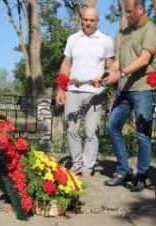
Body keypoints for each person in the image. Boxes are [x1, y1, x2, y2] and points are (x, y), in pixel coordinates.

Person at [104, 0, 156, 192]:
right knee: (112, 126)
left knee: (142, 134)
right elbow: (119, 60)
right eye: (125, 12)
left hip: (143, 88)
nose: (126, 15)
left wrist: (120, 73)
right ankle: (124, 170)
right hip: (124, 89)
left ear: (140, 9)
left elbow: (144, 59)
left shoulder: (150, 29)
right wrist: (106, 74)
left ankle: (142, 175)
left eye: (129, 12)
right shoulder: (126, 31)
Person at [55, 6, 116, 178]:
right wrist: (61, 88)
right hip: (73, 90)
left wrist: (108, 84)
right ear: (81, 19)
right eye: (86, 19)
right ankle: (77, 163)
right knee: (71, 129)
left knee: (92, 131)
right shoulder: (72, 39)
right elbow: (66, 64)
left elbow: (111, 68)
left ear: (97, 21)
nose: (88, 23)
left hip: (95, 93)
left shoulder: (106, 40)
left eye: (92, 20)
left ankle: (88, 167)